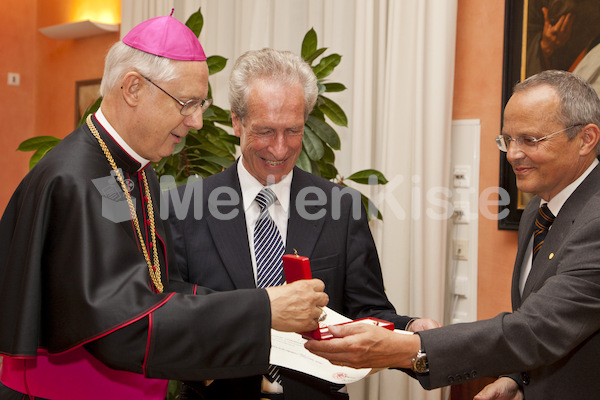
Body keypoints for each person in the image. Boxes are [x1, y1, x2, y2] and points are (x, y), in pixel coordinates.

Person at [0, 13, 328, 400]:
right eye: (187, 103)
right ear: (134, 88)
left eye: (201, 104)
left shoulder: (126, 170)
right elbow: (123, 324)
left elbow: (147, 285)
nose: (198, 122)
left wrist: (258, 307)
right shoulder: (76, 180)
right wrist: (262, 309)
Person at [305, 69, 600, 400]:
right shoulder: (538, 209)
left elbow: (539, 327)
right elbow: (550, 321)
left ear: (586, 139)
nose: (513, 154)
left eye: (529, 140)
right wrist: (517, 380)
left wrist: (409, 348)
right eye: (508, 139)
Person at [166, 48, 440, 400]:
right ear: (237, 121)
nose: (279, 150)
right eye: (265, 131)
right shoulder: (184, 209)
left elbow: (367, 311)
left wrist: (411, 329)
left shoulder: (340, 207)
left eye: (293, 131)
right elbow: (172, 317)